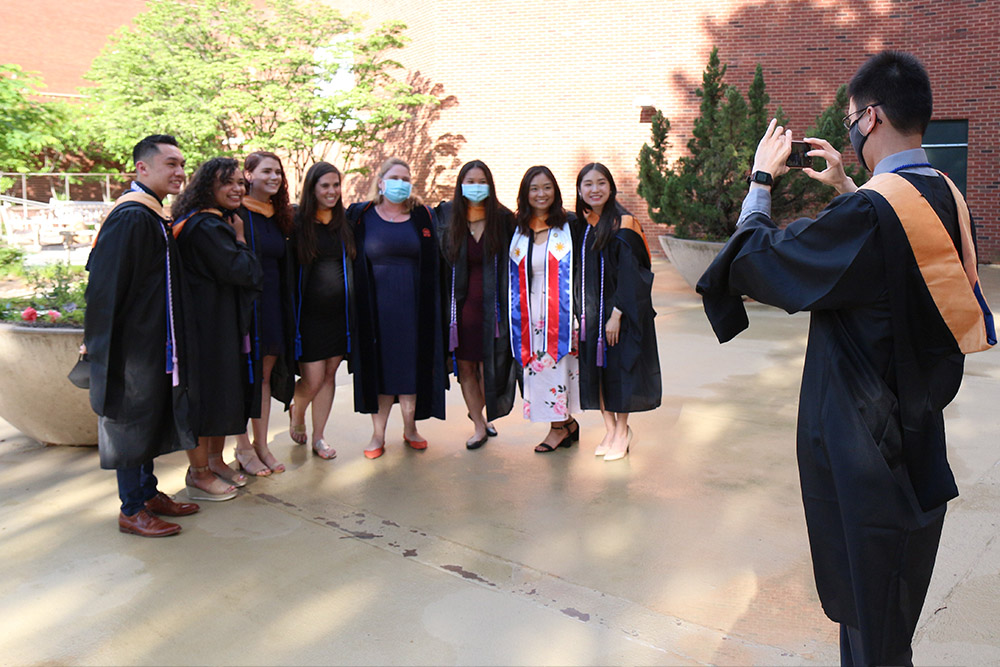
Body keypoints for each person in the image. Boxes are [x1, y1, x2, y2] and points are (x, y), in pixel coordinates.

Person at [697, 51, 995, 666]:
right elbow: (895, 262)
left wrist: (760, 181)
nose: (850, 128)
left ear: (873, 117)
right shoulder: (943, 194)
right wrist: (848, 187)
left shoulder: (869, 213)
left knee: (872, 626)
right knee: (887, 608)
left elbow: (759, 261)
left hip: (866, 443)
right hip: (913, 431)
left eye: (853, 117)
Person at [84, 134, 200, 537]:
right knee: (131, 421)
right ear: (142, 168)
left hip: (153, 342)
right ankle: (132, 509)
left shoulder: (153, 214)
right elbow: (106, 287)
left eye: (182, 163)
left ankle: (148, 493)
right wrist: (101, 345)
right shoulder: (132, 216)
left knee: (149, 416)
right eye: (170, 163)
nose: (180, 171)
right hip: (131, 346)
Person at [172, 158, 263, 500]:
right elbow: (245, 272)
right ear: (208, 186)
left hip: (214, 323)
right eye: (228, 182)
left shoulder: (205, 222)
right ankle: (198, 472)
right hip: (204, 329)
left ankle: (214, 461)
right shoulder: (206, 228)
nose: (238, 188)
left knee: (219, 395)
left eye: (241, 182)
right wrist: (240, 239)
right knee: (204, 399)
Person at [347, 157, 446, 459]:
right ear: (380, 182)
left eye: (406, 178)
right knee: (380, 372)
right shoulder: (361, 216)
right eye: (394, 177)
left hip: (415, 308)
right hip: (375, 309)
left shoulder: (423, 216)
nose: (401, 184)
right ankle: (378, 435)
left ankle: (410, 428)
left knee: (412, 370)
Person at [575, 163, 661, 461]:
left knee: (619, 373)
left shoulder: (624, 223)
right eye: (588, 183)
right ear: (579, 189)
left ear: (611, 187)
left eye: (601, 183)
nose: (594, 189)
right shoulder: (584, 225)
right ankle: (609, 430)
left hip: (619, 316)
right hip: (590, 314)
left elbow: (634, 274)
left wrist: (617, 313)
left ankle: (623, 431)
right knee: (595, 372)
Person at [435, 160, 517, 450]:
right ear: (460, 185)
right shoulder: (449, 219)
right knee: (466, 369)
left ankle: (485, 414)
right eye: (469, 181)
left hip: (494, 311)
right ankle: (479, 425)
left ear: (490, 185)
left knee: (490, 368)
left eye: (481, 181)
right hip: (461, 311)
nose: (476, 187)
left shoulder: (504, 219)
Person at [232, 151, 296, 476]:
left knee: (265, 377)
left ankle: (262, 445)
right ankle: (242, 446)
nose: (274, 178)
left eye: (278, 173)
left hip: (271, 303)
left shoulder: (277, 216)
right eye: (267, 171)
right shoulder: (234, 213)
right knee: (243, 376)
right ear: (248, 174)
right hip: (243, 307)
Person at [509, 165, 581, 453]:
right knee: (537, 370)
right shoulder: (518, 228)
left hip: (560, 311)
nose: (541, 194)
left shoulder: (571, 224)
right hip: (529, 313)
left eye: (547, 187)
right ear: (525, 194)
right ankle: (567, 424)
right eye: (534, 188)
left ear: (556, 191)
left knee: (558, 369)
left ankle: (558, 428)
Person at [287, 162, 354, 461]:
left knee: (329, 377)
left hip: (339, 317)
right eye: (325, 186)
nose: (331, 191)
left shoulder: (344, 224)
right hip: (308, 318)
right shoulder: (297, 224)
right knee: (312, 379)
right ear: (312, 188)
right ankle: (297, 409)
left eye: (336, 185)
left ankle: (319, 437)